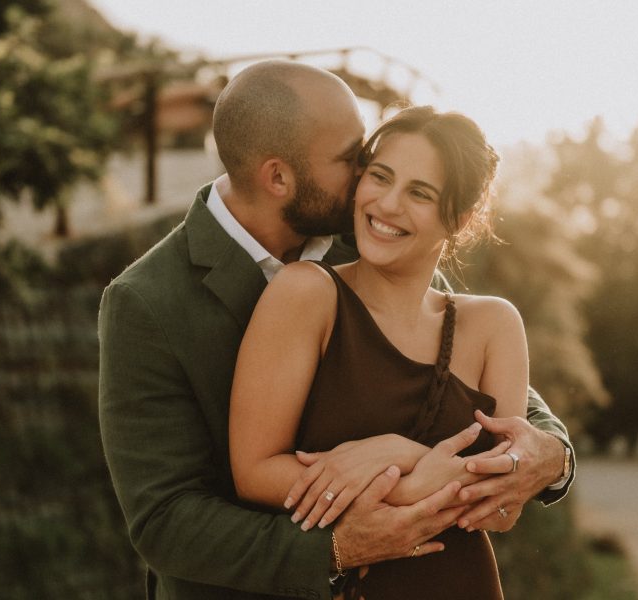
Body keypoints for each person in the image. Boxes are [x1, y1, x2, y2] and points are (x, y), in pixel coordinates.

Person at [98, 60, 574, 600]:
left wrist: (554, 456)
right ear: (278, 177)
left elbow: (473, 388)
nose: (370, 182)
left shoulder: (368, 238)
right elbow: (165, 520)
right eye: (356, 161)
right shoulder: (146, 302)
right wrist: (342, 546)